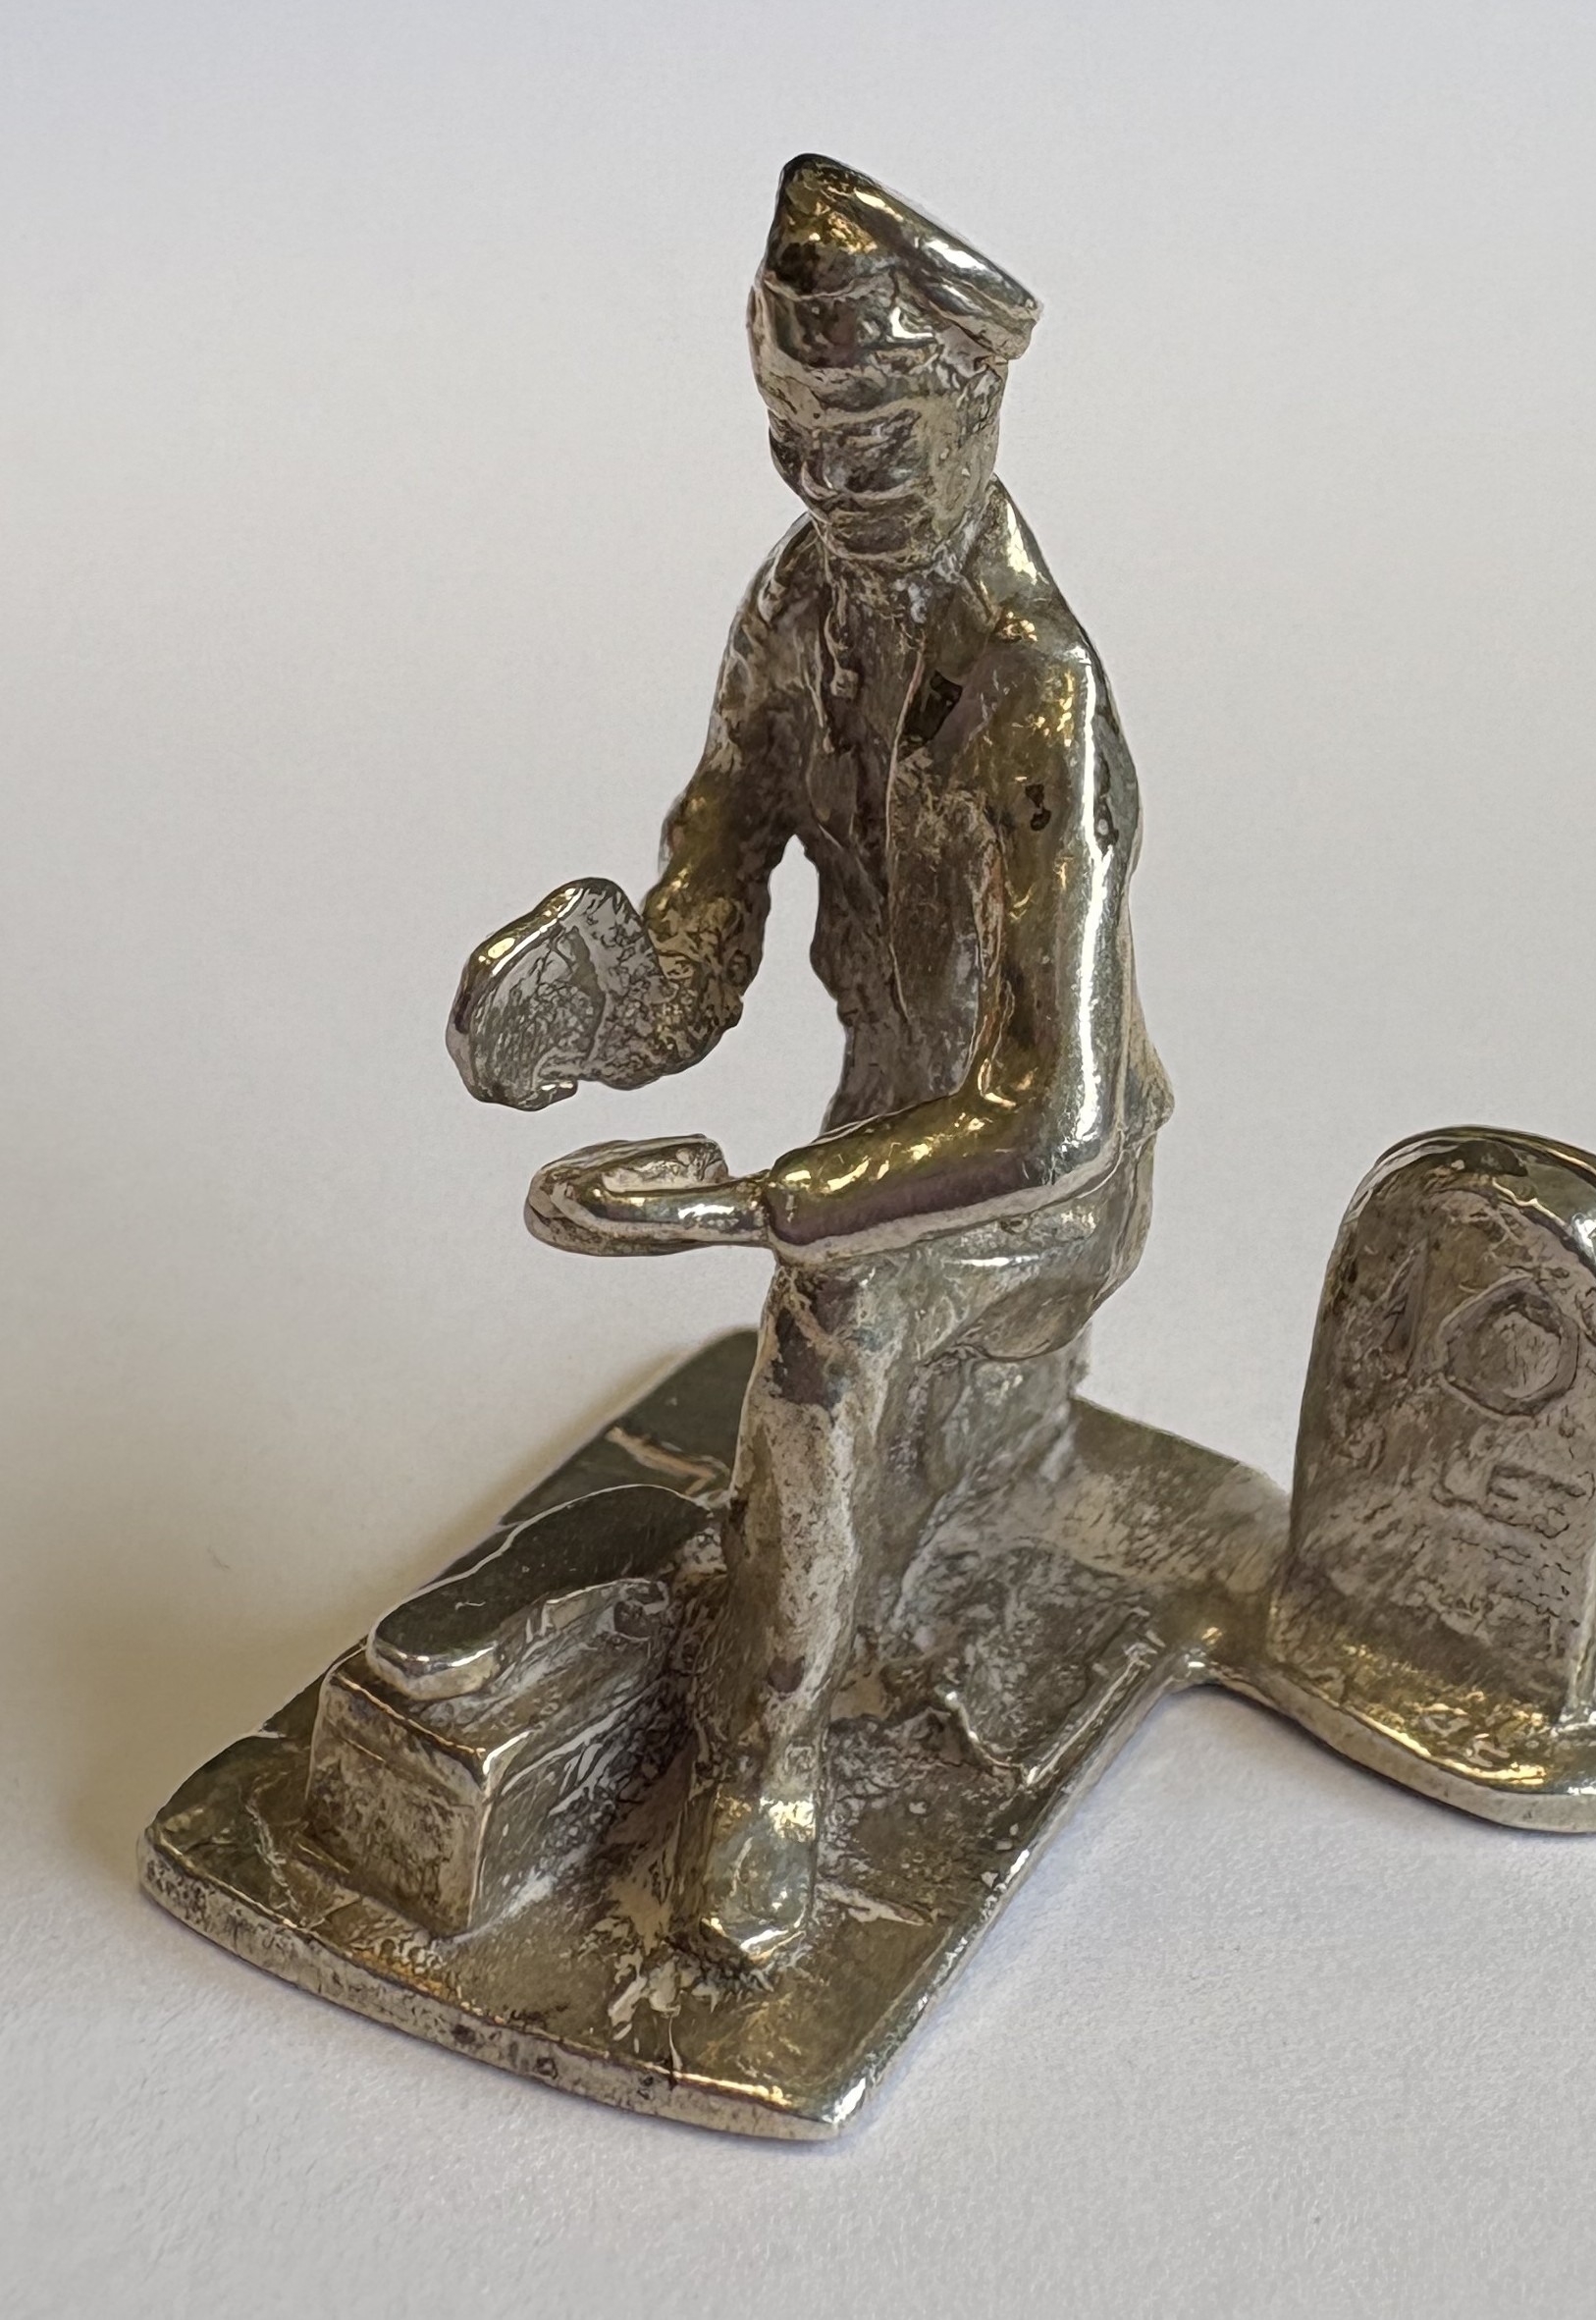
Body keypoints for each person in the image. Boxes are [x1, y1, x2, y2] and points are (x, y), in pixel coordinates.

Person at [451, 155, 1171, 1969]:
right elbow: (716, 894)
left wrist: (747, 1206)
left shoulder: (1036, 694)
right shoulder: (797, 608)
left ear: (977, 406)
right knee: (828, 1314)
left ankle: (758, 1772)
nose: (828, 487)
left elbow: (1057, 1115)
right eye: (792, 439)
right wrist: (599, 1009)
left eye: (872, 446)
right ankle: (806, 1584)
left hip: (1029, 1192)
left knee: (826, 1327)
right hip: (884, 1126)